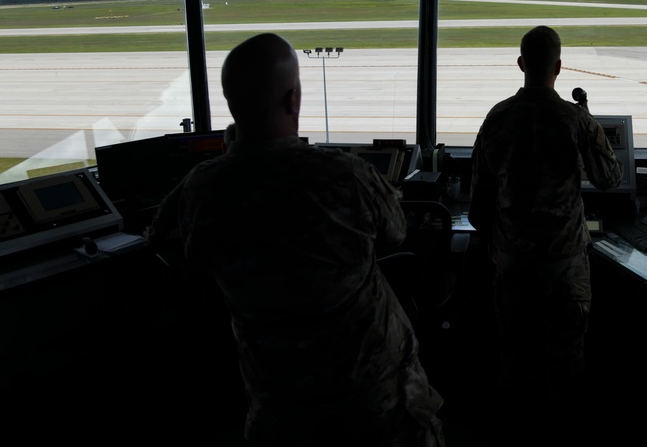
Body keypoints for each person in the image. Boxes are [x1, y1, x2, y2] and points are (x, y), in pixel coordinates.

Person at [150, 33, 444, 446]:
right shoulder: (344, 175)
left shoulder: (200, 188)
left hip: (281, 403)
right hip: (376, 399)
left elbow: (170, 249)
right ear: (293, 100)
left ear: (232, 106)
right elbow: (395, 233)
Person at [468, 25, 622, 431]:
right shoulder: (575, 120)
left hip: (513, 263)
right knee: (565, 363)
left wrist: (497, 245)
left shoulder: (496, 119)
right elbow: (609, 178)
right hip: (565, 265)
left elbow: (479, 206)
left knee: (513, 356)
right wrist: (590, 125)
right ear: (558, 66)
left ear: (521, 64)